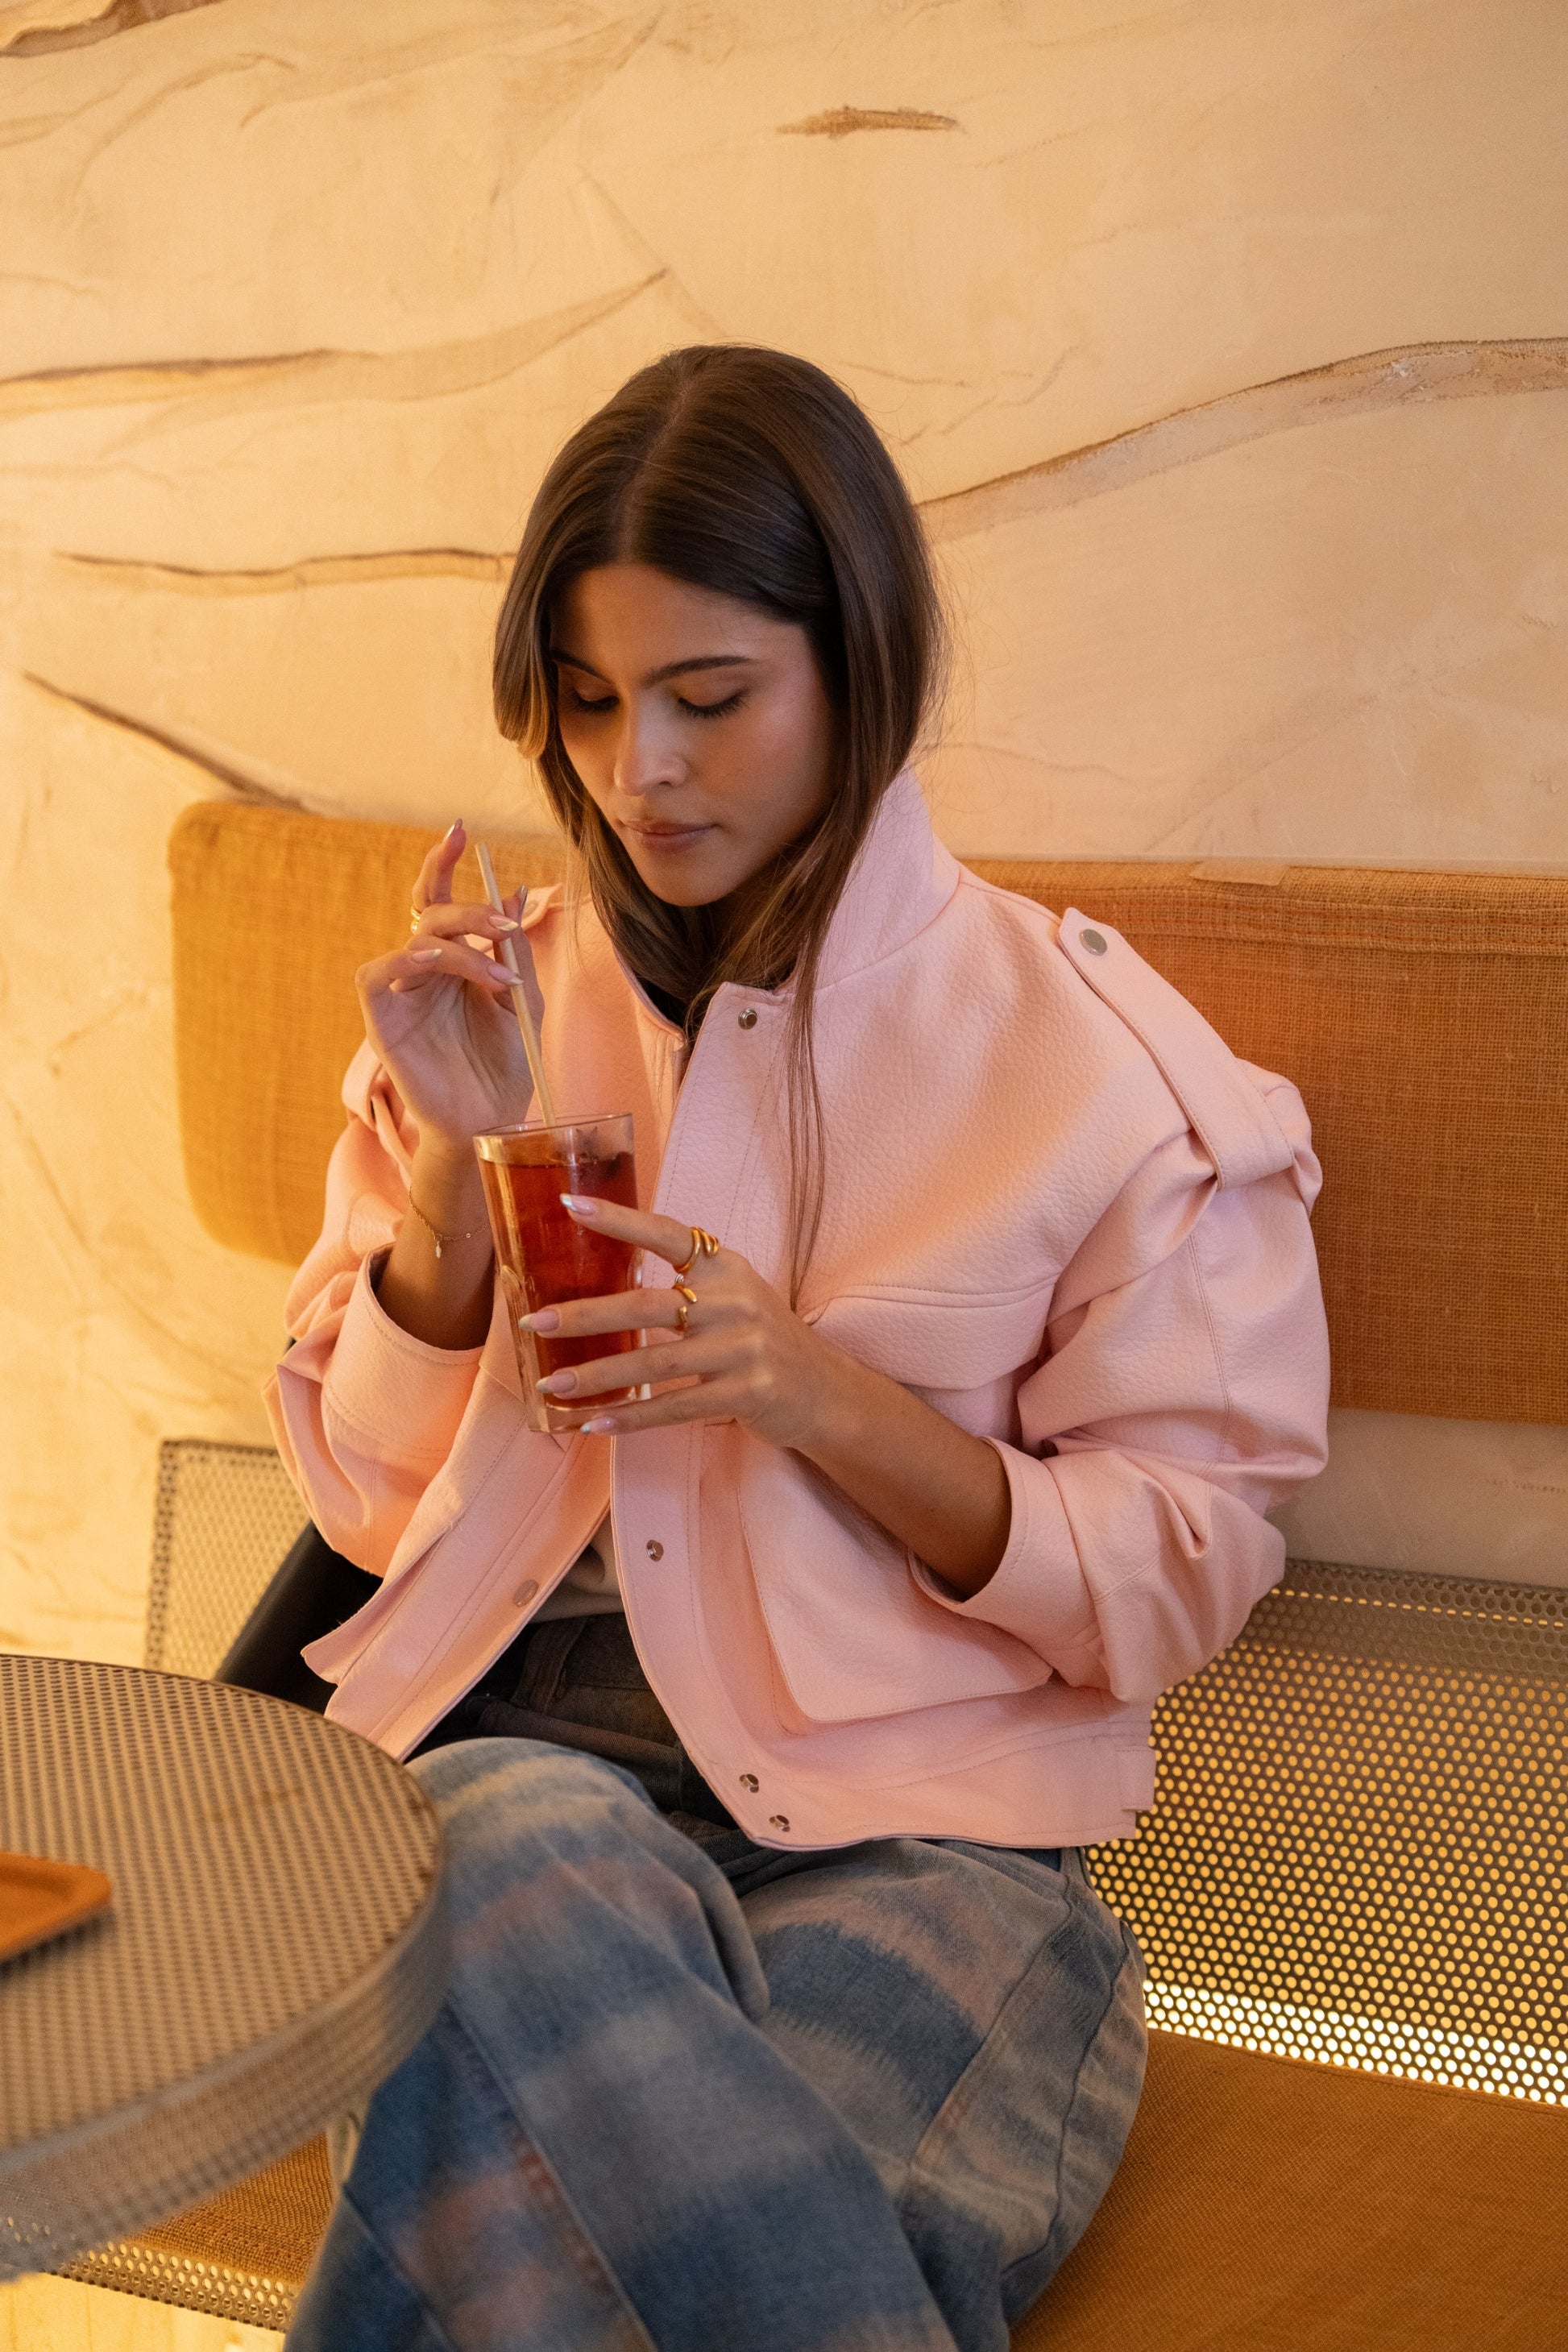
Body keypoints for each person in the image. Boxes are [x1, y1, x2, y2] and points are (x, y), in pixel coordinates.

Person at [268, 344, 1329, 2352]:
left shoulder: (1085, 1062)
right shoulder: (489, 1007)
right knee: (491, 1846)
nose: (635, 773)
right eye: (588, 700)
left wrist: (808, 1387)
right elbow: (367, 1505)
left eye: (709, 695)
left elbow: (1184, 1571)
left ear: (859, 667)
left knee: (607, 2243)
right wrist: (453, 1174)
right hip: (524, 1776)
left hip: (928, 1845)